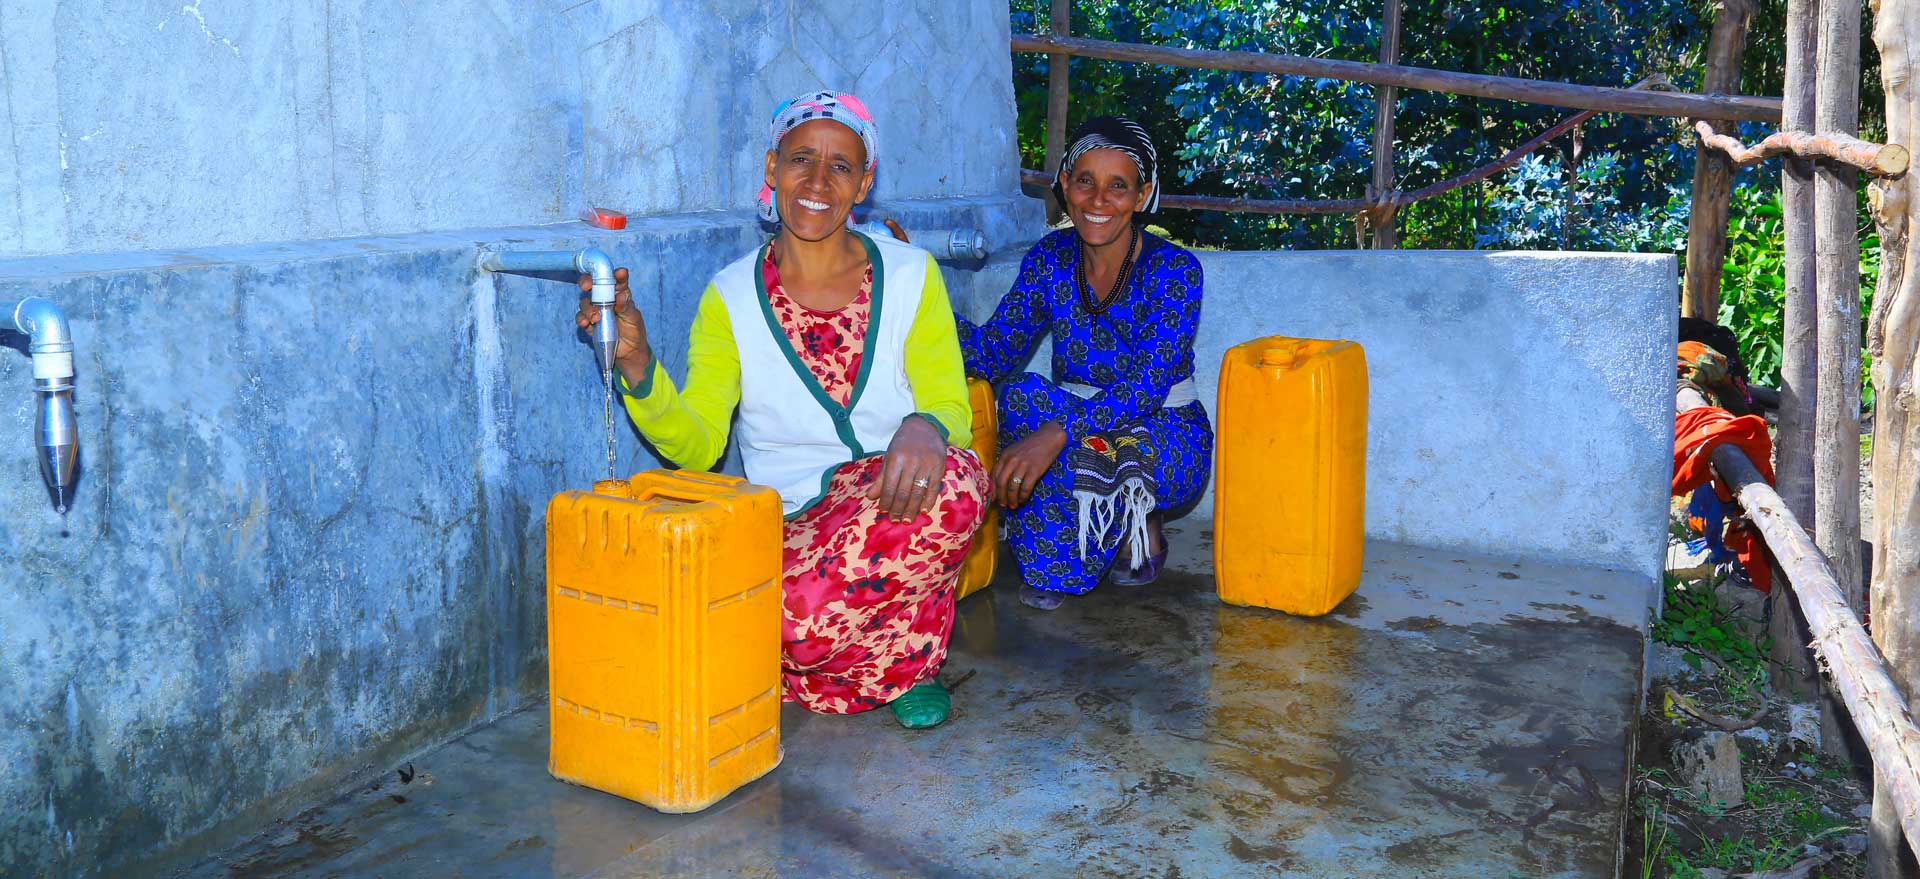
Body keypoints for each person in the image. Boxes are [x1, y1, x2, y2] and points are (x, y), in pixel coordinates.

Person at [576, 91, 987, 729]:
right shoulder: (730, 295)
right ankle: (888, 664)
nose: (818, 182)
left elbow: (949, 404)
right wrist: (637, 365)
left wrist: (924, 424)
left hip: (896, 493)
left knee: (956, 487)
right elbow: (698, 445)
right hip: (793, 523)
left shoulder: (912, 274)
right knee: (794, 614)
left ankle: (887, 666)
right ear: (773, 169)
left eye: (841, 166)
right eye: (801, 160)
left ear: (864, 183)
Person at [957, 116, 1212, 610]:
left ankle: (1141, 522)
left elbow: (1144, 389)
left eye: (1118, 186)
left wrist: (1054, 433)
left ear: (1142, 196)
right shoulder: (1051, 257)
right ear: (1065, 187)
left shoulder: (1176, 270)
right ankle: (1087, 541)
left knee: (1082, 443)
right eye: (1085, 182)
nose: (1098, 200)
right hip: (1077, 425)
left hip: (1162, 429)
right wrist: (915, 299)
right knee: (1020, 396)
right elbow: (994, 351)